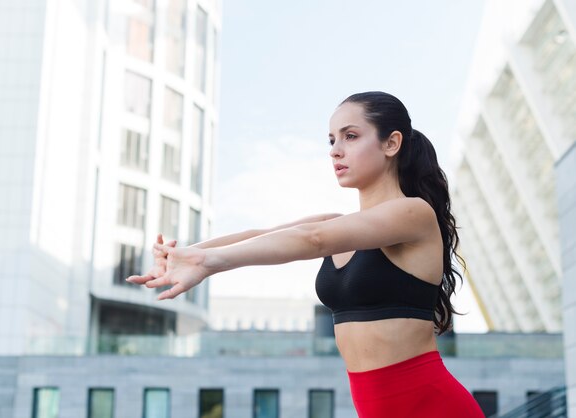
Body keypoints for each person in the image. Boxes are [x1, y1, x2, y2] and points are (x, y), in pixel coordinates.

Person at [127, 91, 485, 417]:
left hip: (434, 407)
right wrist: (190, 253)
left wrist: (207, 264)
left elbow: (312, 239)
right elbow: (266, 235)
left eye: (350, 136)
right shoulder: (337, 225)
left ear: (391, 143)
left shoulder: (413, 214)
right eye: (331, 140)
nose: (335, 150)